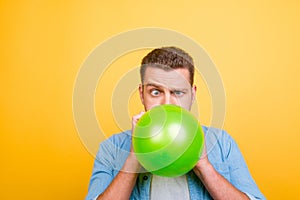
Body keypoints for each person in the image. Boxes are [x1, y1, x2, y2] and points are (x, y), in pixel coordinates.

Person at [86, 47, 265, 200]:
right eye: (155, 92)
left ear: (192, 95)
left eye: (178, 92)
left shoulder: (222, 143)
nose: (167, 103)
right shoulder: (111, 148)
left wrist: (204, 167)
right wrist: (134, 158)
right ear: (141, 94)